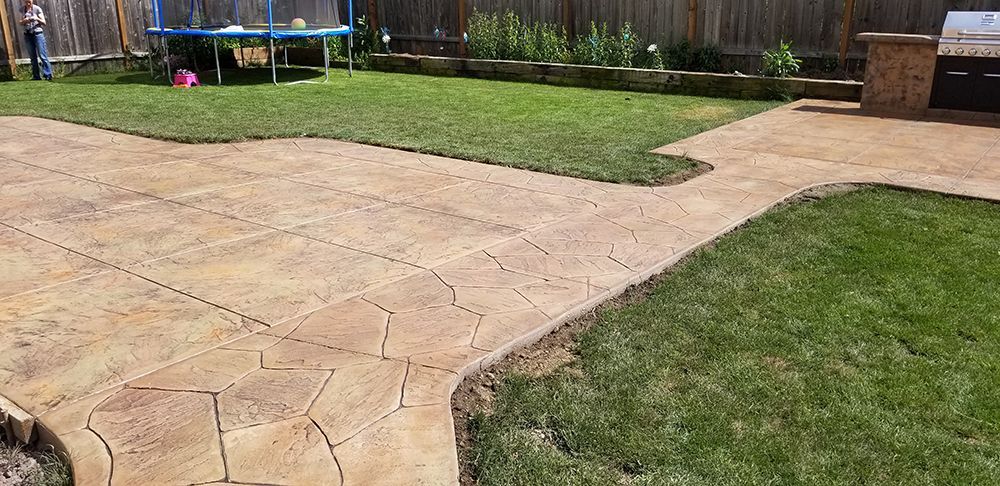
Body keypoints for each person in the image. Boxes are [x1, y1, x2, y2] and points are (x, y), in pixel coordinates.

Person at [19, 0, 52, 80]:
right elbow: (20, 22)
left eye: (29, 1)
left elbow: (44, 22)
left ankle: (48, 74)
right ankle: (36, 76)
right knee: (32, 57)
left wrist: (36, 18)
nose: (28, 2)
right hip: (27, 35)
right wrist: (25, 21)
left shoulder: (37, 9)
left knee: (42, 55)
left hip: (37, 34)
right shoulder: (21, 10)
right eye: (26, 1)